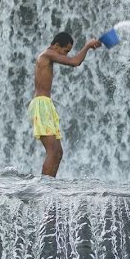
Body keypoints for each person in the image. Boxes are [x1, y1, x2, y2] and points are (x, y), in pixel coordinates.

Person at [29, 32, 101, 177]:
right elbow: (74, 62)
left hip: (46, 105)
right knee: (52, 151)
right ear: (56, 46)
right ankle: (44, 187)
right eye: (65, 50)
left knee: (58, 152)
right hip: (41, 105)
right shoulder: (47, 54)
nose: (66, 54)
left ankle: (50, 184)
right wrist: (86, 46)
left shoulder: (48, 55)